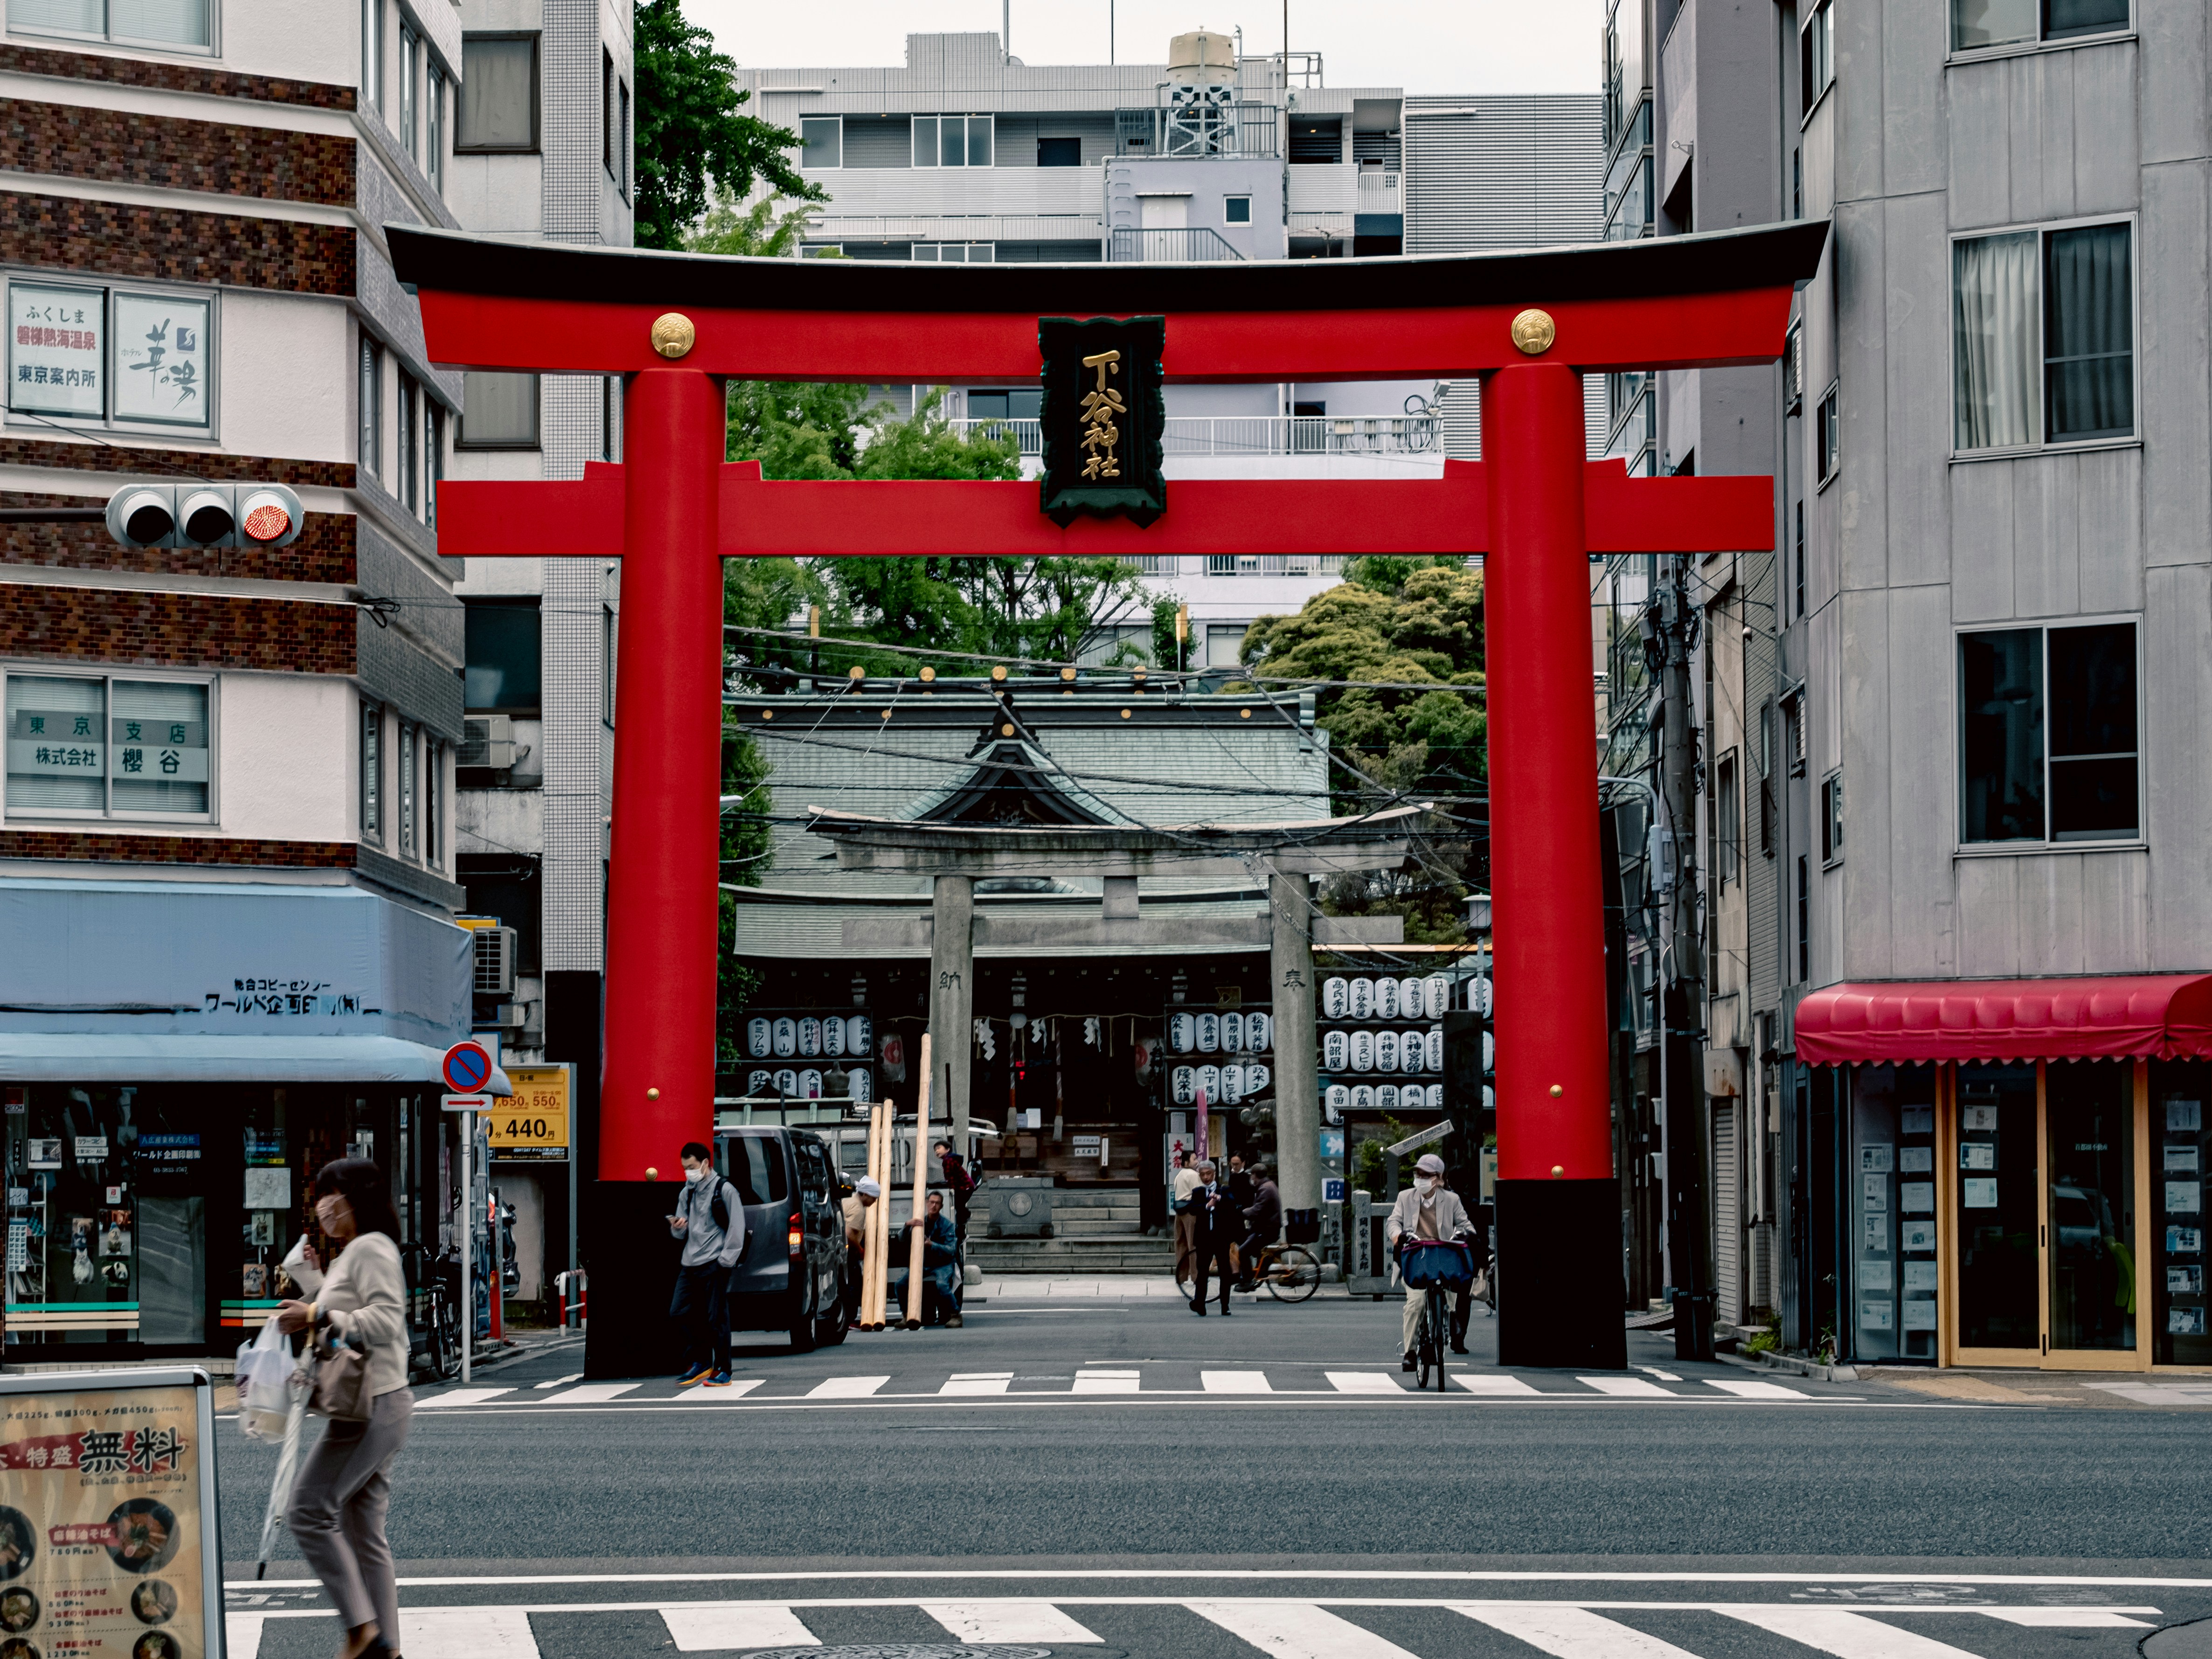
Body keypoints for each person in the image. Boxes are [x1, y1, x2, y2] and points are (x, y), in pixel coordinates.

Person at [277, 1159, 413, 1659]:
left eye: (329, 1193)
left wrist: (313, 1311)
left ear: (353, 1195)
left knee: (308, 1509)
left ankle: (362, 1632)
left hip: (370, 1404)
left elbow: (385, 1319)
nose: (322, 1205)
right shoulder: (355, 1252)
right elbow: (344, 1314)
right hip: (378, 1402)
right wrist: (313, 1281)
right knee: (365, 1532)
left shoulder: (370, 1246)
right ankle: (387, 1648)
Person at [1386, 1152, 1475, 1369]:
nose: (1421, 1178)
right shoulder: (1405, 1197)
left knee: (1453, 1274)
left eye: (1426, 1174)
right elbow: (1394, 1221)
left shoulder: (1452, 1200)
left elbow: (1465, 1224)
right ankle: (1410, 1351)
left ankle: (1453, 1316)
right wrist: (1399, 1236)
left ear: (1438, 1178)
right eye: (1418, 1173)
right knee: (1416, 1303)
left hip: (1441, 1255)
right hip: (1416, 1257)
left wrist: (1466, 1233)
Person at [667, 1141, 745, 1388]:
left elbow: (737, 1227)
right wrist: (678, 1227)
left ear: (705, 1164)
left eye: (691, 1167)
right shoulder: (687, 1192)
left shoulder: (725, 1190)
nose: (688, 1172)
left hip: (715, 1260)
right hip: (690, 1262)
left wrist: (726, 1261)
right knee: (679, 1312)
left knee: (717, 1318)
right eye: (684, 1168)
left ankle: (723, 1370)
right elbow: (681, 1233)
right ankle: (702, 1362)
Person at [892, 1190, 963, 1327]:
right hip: (923, 1263)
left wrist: (933, 1245)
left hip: (943, 1264)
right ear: (927, 1203)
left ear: (941, 1206)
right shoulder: (920, 1222)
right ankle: (906, 1316)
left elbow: (951, 1250)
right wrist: (907, 1225)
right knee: (900, 1285)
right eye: (932, 1202)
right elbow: (901, 1239)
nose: (934, 1206)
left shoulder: (947, 1225)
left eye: (937, 1203)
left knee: (942, 1285)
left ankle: (956, 1315)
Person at [1187, 1160, 1237, 1317]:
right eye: (1203, 1174)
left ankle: (1225, 1305)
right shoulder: (1198, 1192)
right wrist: (1207, 1206)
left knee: (1225, 1272)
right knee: (1202, 1272)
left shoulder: (1225, 1190)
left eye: (1209, 1174)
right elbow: (1192, 1209)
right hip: (1204, 1238)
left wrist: (1219, 1200)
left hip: (1221, 1237)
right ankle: (1200, 1304)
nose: (1206, 1177)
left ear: (1215, 1174)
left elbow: (1233, 1205)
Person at [1234, 1163, 1283, 1292]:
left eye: (1252, 1175)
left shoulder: (1265, 1189)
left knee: (1243, 1251)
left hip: (1267, 1230)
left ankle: (1248, 1281)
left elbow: (1257, 1210)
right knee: (1247, 1242)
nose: (1251, 1178)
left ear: (1256, 1175)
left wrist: (1241, 1213)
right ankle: (1261, 1264)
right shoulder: (1267, 1186)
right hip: (1266, 1227)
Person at [841, 1176, 880, 1325]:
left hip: (839, 1249)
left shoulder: (849, 1199)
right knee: (854, 1285)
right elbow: (849, 1234)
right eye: (874, 1198)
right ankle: (849, 1321)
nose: (874, 1202)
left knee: (850, 1284)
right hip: (847, 1251)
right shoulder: (858, 1209)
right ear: (865, 1195)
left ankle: (847, 1319)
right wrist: (860, 1249)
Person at [1170, 1152, 1203, 1291]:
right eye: (1194, 1159)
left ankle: (1181, 1277)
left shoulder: (1179, 1175)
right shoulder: (1193, 1175)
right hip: (1190, 1211)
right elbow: (1199, 1193)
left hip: (1179, 1211)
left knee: (1181, 1244)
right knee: (1193, 1244)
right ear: (1187, 1162)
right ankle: (1196, 1277)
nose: (1197, 1161)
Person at [935, 1139, 978, 1240]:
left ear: (947, 1149)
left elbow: (950, 1177)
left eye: (939, 1148)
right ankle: (962, 1233)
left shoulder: (948, 1161)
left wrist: (950, 1188)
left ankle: (966, 1219)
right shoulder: (950, 1159)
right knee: (959, 1208)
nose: (937, 1151)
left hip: (965, 1187)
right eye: (935, 1150)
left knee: (959, 1208)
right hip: (966, 1187)